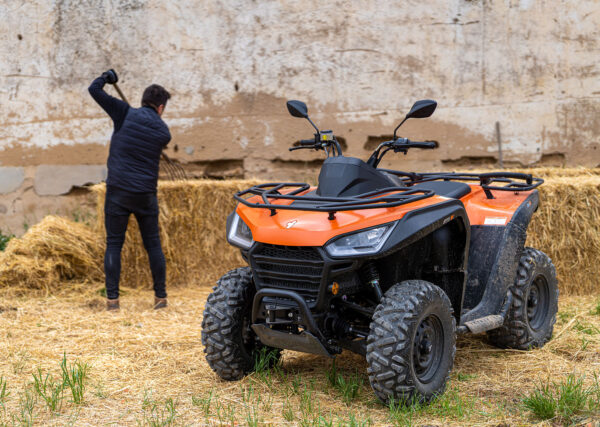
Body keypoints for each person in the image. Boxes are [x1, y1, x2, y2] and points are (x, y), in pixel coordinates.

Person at [88, 69, 171, 311]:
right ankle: (160, 299)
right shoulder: (163, 132)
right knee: (153, 245)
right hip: (145, 195)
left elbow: (94, 89)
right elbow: (157, 136)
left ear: (144, 101)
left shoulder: (123, 112)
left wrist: (107, 77)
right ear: (160, 108)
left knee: (114, 244)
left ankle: (112, 302)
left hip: (118, 192)